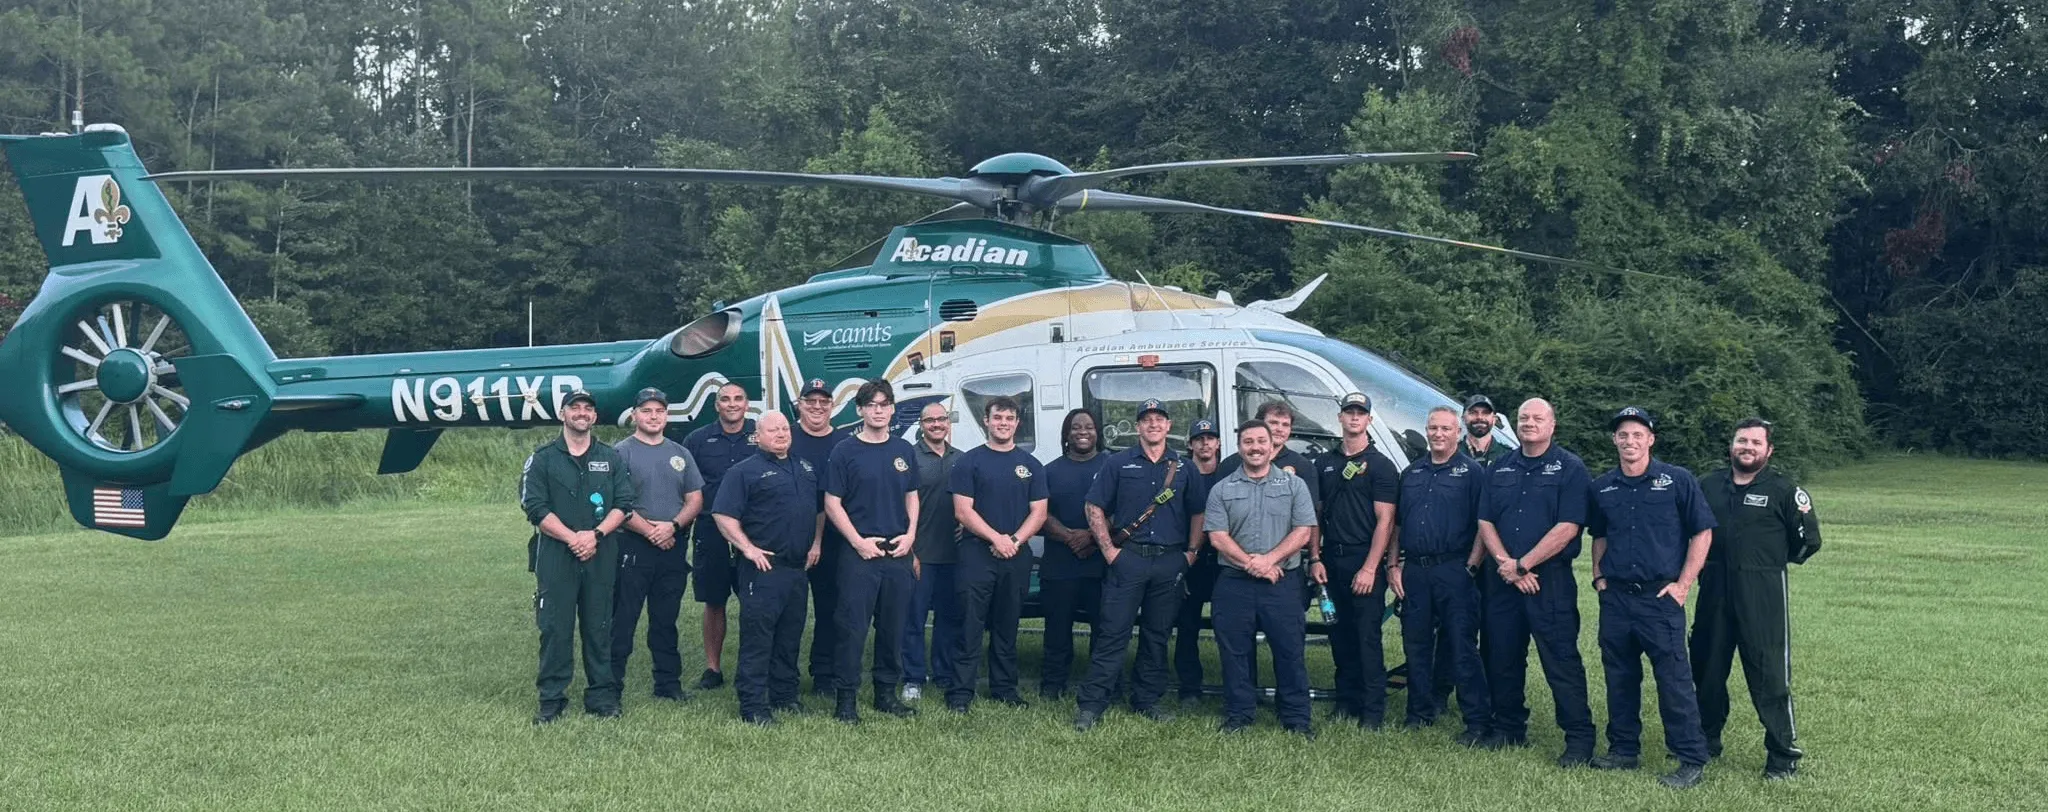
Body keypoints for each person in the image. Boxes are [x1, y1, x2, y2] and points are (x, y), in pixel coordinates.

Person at [1587, 406, 1716, 789]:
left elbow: (1702, 533)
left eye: (1638, 434)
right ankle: (1623, 750)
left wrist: (1683, 584)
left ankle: (1690, 757)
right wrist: (1598, 578)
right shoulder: (1602, 486)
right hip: (1616, 600)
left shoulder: (1677, 481)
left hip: (1659, 599)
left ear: (1651, 439)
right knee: (1619, 677)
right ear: (1614, 440)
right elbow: (1600, 536)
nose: (1630, 441)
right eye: (1623, 435)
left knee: (1673, 680)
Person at [1693, 418, 1821, 780]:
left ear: (1768, 450)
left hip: (1762, 592)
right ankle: (1706, 740)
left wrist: (1766, 563)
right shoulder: (1708, 485)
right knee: (1706, 669)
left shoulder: (1783, 489)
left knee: (1769, 676)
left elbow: (1807, 541)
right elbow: (1690, 531)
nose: (1747, 447)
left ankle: (1782, 755)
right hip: (1714, 589)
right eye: (1741, 441)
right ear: (1731, 445)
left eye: (1755, 443)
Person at [1073, 399, 1209, 732]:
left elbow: (1198, 513)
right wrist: (1109, 552)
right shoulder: (1118, 463)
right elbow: (1094, 506)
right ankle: (1092, 705)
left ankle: (1147, 699)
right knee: (1112, 633)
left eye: (1159, 419)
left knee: (1157, 635)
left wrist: (1191, 553)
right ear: (1137, 427)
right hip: (1128, 559)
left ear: (1168, 426)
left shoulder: (1183, 466)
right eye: (1146, 420)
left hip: (1169, 561)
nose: (1153, 424)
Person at [1477, 398, 1598, 767]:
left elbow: (1569, 527)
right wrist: (1507, 566)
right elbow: (1485, 521)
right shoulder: (1500, 466)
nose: (1530, 423)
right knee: (1500, 656)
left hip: (1549, 581)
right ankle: (1508, 726)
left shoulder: (1570, 468)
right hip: (1503, 579)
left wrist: (1524, 565)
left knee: (1561, 661)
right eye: (1524, 418)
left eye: (1537, 418)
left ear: (1552, 425)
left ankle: (1578, 740)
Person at [519, 389, 637, 724]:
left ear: (594, 417)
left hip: (601, 551)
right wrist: (573, 538)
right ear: (563, 414)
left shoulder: (611, 457)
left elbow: (624, 504)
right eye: (575, 408)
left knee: (599, 626)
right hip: (557, 553)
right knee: (555, 627)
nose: (581, 413)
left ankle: (601, 696)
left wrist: (595, 534)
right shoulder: (542, 458)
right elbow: (535, 507)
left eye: (588, 408)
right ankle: (552, 698)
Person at [1205, 420, 1318, 737]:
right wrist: (1251, 564)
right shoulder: (1222, 489)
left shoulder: (1295, 486)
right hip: (1234, 582)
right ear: (1239, 447)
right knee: (1235, 652)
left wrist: (1269, 560)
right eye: (1248, 442)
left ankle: (1296, 718)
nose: (1255, 447)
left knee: (1289, 650)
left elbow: (1303, 531)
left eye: (1260, 441)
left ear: (1273, 446)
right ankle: (1239, 715)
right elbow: (1217, 536)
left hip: (1281, 581)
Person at [712, 412, 824, 726]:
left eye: (785, 429)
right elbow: (722, 514)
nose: (780, 434)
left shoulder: (804, 468)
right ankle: (753, 704)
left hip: (797, 569)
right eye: (772, 429)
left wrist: (816, 543)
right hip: (763, 569)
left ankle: (784, 695)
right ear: (757, 436)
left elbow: (816, 510)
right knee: (759, 638)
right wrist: (747, 548)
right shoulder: (744, 472)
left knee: (790, 636)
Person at [1391, 405, 1493, 745]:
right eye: (1433, 428)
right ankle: (1419, 712)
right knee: (1416, 644)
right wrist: (1393, 565)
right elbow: (1397, 524)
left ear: (1458, 433)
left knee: (1462, 646)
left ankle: (1476, 721)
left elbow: (1484, 524)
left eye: (1445, 429)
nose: (1438, 434)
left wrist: (1472, 566)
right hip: (1415, 570)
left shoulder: (1472, 472)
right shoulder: (1412, 472)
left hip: (1455, 568)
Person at [824, 378, 921, 724]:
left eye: (884, 404)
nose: (878, 411)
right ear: (860, 410)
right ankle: (845, 700)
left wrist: (911, 535)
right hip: (860, 554)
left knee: (893, 627)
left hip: (898, 553)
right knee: (852, 627)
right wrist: (857, 542)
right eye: (871, 405)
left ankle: (886, 694)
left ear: (893, 409)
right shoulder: (844, 451)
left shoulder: (903, 450)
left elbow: (912, 494)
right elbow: (832, 503)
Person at [948, 395, 1049, 712]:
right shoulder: (969, 462)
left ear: (1017, 423)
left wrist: (1014, 541)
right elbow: (963, 512)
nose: (1003, 423)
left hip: (1015, 555)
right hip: (976, 554)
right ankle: (961, 693)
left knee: (1007, 626)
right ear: (986, 421)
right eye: (997, 417)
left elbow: (1040, 512)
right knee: (970, 625)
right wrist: (996, 538)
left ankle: (1004, 689)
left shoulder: (1031, 465)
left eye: (1009, 418)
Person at [1308, 392, 1400, 729]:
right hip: (1331, 560)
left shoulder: (1381, 466)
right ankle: (1345, 701)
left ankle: (1372, 711)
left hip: (1365, 560)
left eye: (1361, 413)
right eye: (1349, 412)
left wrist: (1370, 568)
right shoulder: (1324, 463)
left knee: (1367, 638)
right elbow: (1314, 516)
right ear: (1340, 418)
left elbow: (1386, 522)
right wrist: (1315, 557)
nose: (1354, 418)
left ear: (1369, 420)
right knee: (1339, 635)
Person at [610, 387, 705, 702]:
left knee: (666, 621)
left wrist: (673, 526)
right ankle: (610, 687)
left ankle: (668, 686)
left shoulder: (680, 453)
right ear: (634, 415)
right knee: (623, 621)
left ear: (666, 415)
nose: (653, 416)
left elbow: (695, 499)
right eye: (647, 411)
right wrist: (650, 531)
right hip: (633, 547)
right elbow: (617, 503)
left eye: (659, 411)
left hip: (672, 547)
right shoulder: (621, 452)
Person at [682, 381, 757, 690]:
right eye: (725, 399)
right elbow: (686, 488)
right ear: (716, 405)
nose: (732, 404)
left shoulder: (760, 434)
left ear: (746, 403)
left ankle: (752, 665)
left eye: (738, 398)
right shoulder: (697, 440)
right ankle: (713, 668)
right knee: (714, 602)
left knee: (756, 601)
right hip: (710, 530)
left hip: (754, 532)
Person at [1041, 409, 1112, 701]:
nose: (1082, 431)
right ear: (1066, 435)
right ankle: (1052, 684)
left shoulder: (1112, 465)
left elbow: (1123, 509)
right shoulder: (1050, 470)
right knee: (1057, 629)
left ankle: (1101, 685)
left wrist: (1092, 535)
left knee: (1104, 630)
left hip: (1102, 565)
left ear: (1098, 432)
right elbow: (1040, 514)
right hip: (1059, 566)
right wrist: (1071, 537)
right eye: (1075, 427)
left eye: (1089, 426)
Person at [789, 378, 852, 695]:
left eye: (823, 401)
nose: (817, 407)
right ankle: (782, 675)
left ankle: (824, 673)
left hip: (834, 540)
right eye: (810, 401)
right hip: (789, 539)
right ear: (799, 404)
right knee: (788, 611)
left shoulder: (843, 443)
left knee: (830, 610)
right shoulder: (786, 438)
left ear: (832, 406)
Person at [904, 401, 964, 702]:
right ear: (921, 424)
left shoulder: (963, 459)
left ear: (948, 422)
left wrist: (966, 527)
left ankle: (943, 673)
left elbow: (971, 506)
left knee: (949, 619)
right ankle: (913, 677)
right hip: (920, 554)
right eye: (930, 421)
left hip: (954, 556)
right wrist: (910, 551)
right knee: (912, 619)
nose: (937, 424)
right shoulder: (909, 457)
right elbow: (901, 508)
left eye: (942, 419)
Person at [1172, 418, 1225, 703]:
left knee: (1229, 626)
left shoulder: (1230, 473)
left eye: (1210, 438)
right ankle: (1189, 687)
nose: (1205, 443)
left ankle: (1238, 685)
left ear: (1218, 443)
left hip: (1221, 561)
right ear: (1190, 444)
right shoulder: (1179, 473)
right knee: (1187, 625)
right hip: (1188, 559)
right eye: (1199, 438)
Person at [1461, 395, 1511, 468]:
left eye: (1486, 412)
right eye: (1473, 412)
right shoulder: (1450, 453)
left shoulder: (1508, 455)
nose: (1479, 417)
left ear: (1494, 419)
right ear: (1463, 418)